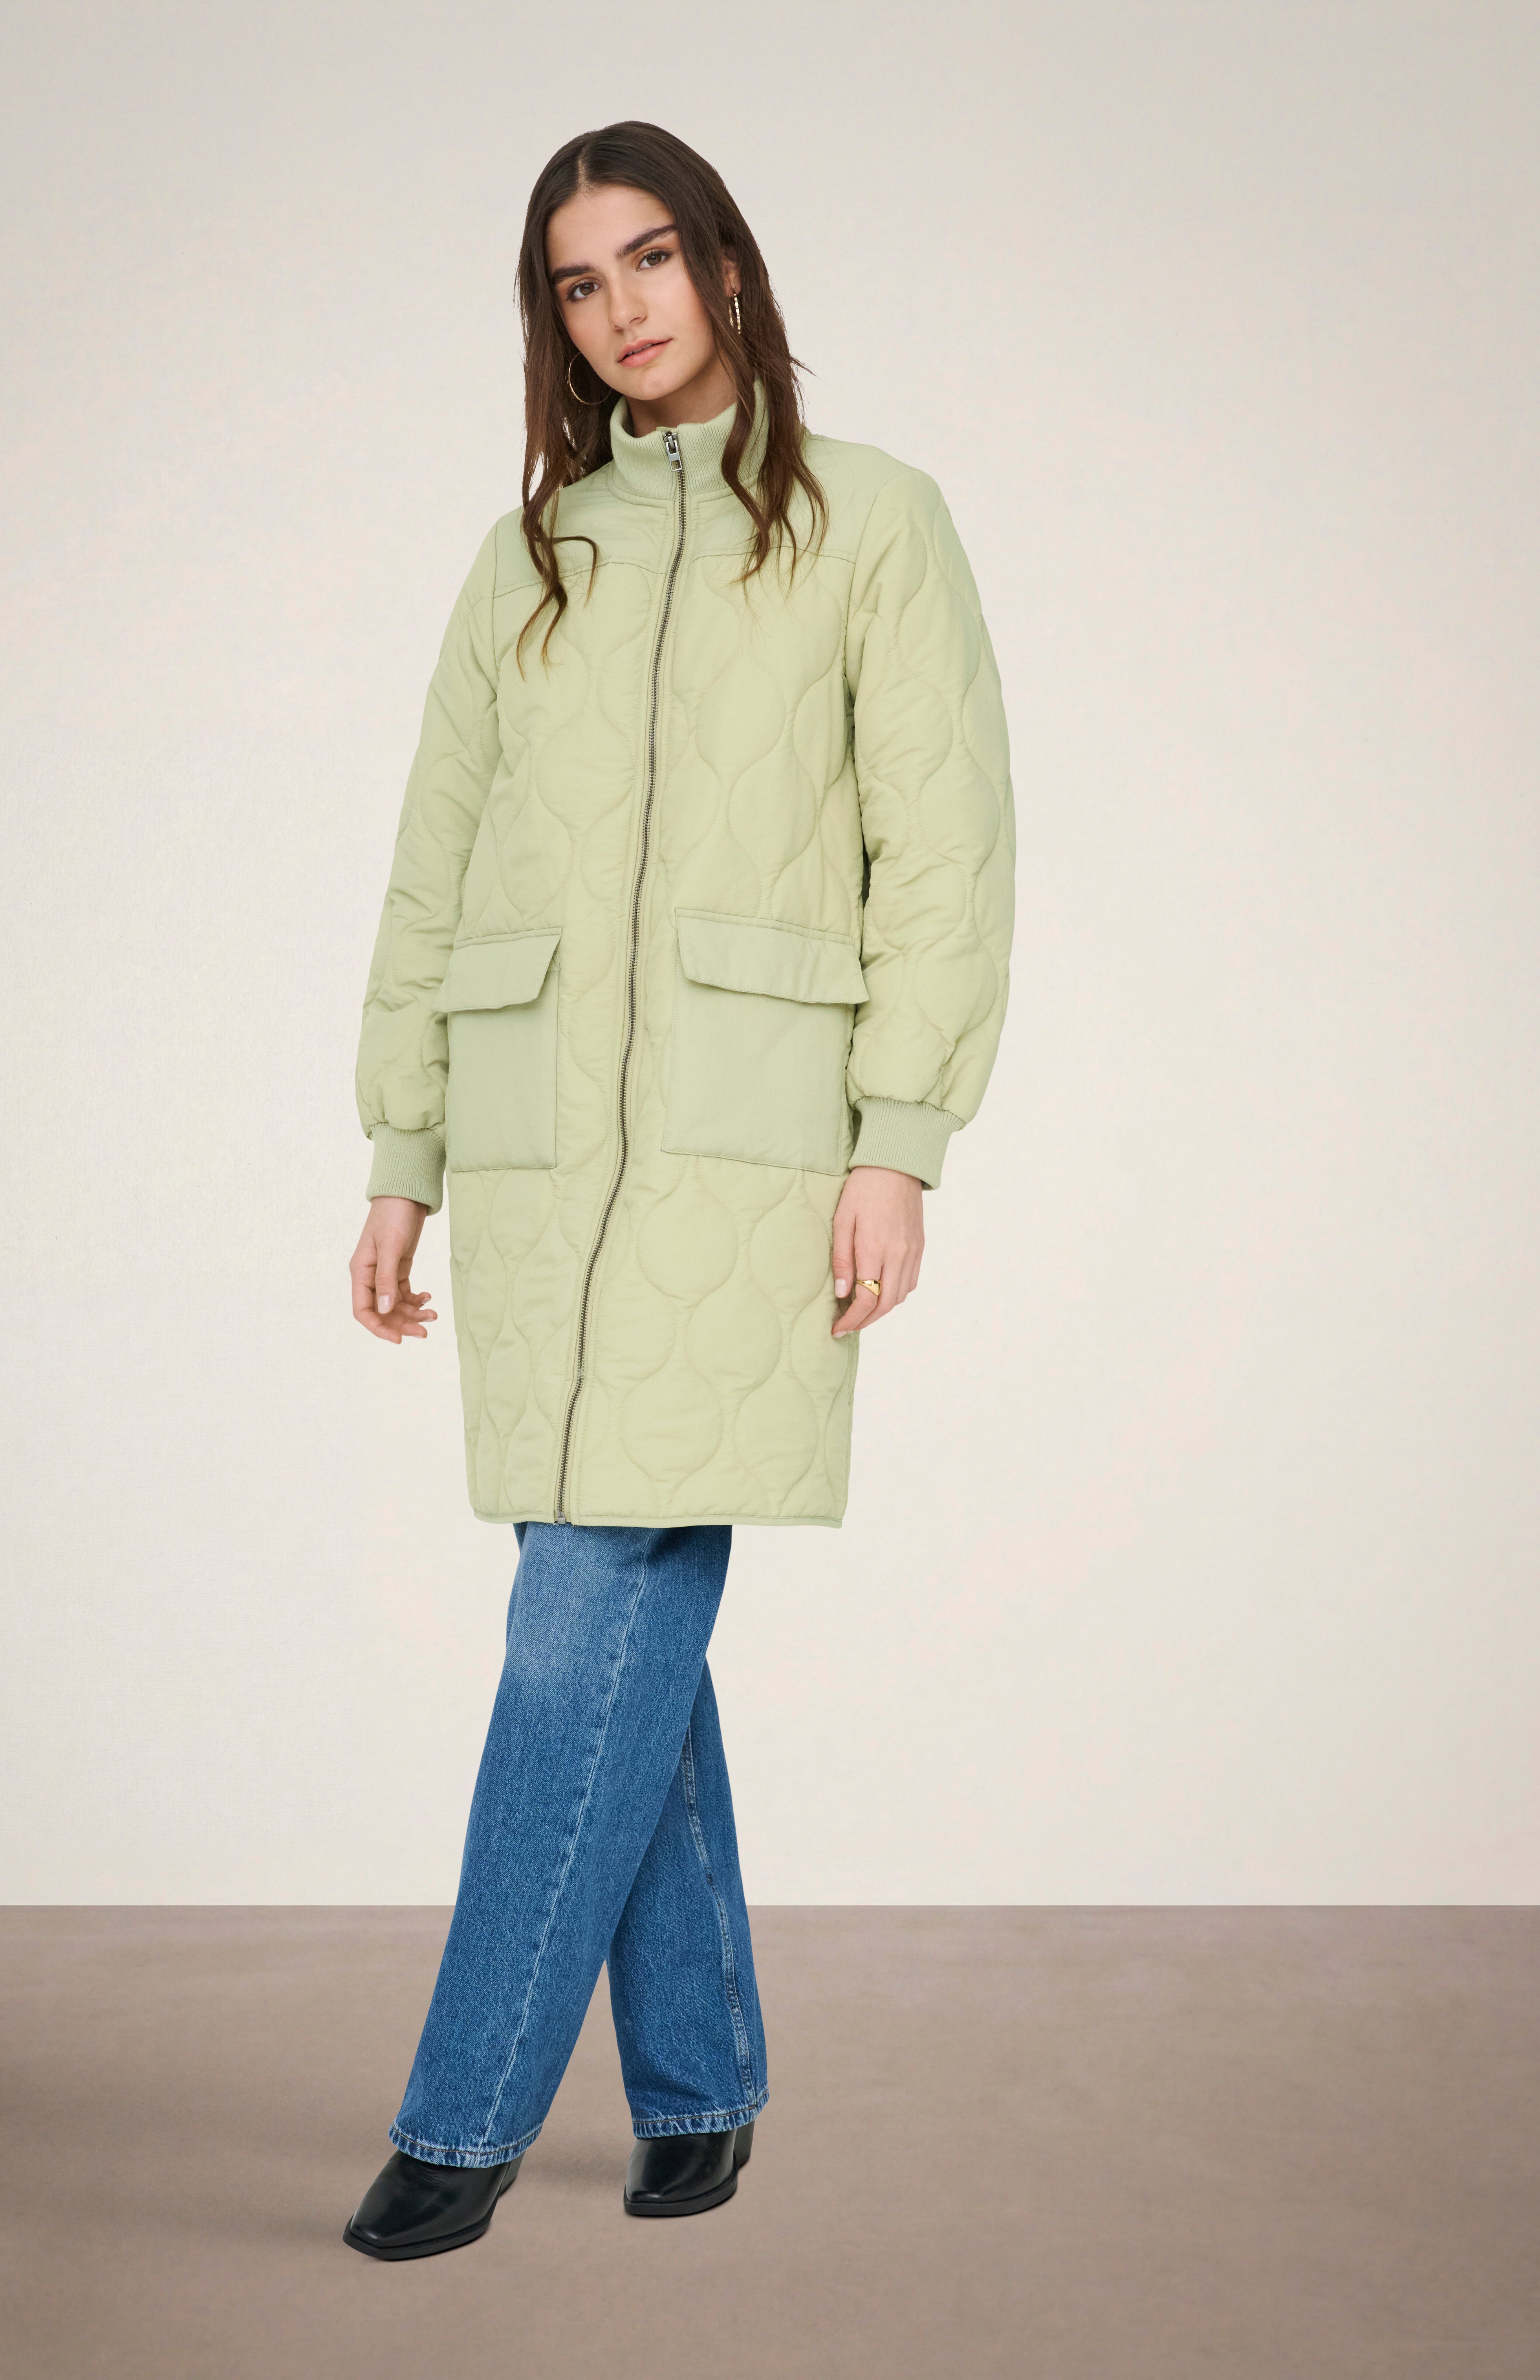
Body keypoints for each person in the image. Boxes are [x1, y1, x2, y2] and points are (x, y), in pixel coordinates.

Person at [342, 119, 1016, 2261]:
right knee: (621, 1615)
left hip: (750, 1155)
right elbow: (435, 862)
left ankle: (461, 2116)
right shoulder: (529, 556)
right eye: (577, 281)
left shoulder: (871, 522)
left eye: (650, 257)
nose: (620, 306)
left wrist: (896, 1140)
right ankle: (704, 2081)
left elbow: (944, 853)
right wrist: (403, 1154)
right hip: (537, 1153)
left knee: (582, 1624)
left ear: (725, 265)